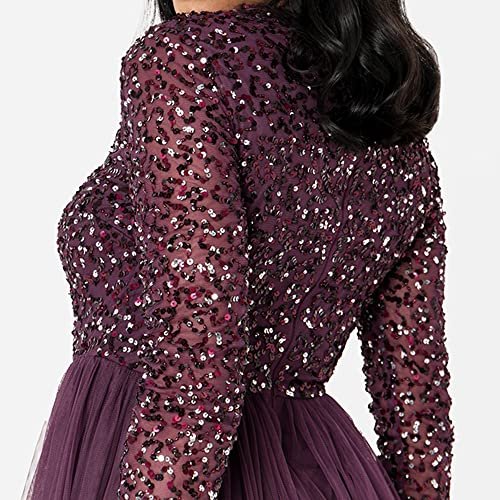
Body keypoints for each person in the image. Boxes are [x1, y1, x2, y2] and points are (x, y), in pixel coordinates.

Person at [24, 0, 455, 498]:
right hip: (320, 472)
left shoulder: (182, 62)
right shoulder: (389, 127)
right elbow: (417, 410)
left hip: (159, 469)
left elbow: (201, 352)